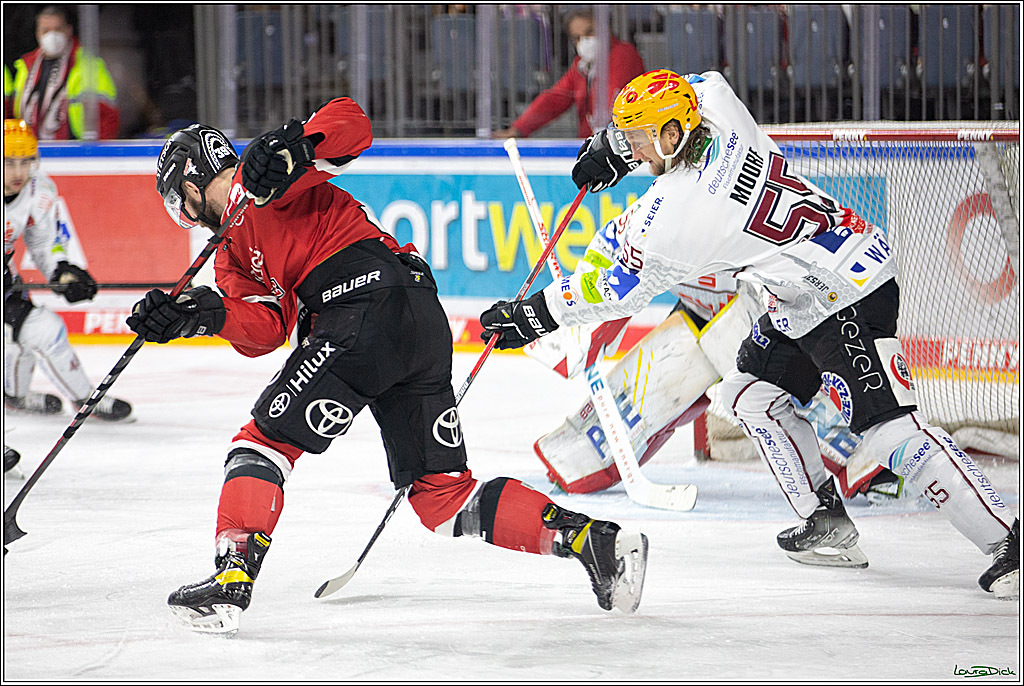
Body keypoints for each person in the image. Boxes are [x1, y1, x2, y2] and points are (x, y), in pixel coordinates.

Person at [480, 69, 1018, 599]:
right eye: (631, 136)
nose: (636, 149)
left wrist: (534, 315)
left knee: (890, 434)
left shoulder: (678, 217)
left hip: (847, 291)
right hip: (805, 291)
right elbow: (691, 84)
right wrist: (617, 148)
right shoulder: (717, 100)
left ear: (673, 134)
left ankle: (1007, 542)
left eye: (642, 139)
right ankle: (826, 523)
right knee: (751, 395)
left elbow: (615, 286)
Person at [125, 98, 649, 635]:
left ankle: (231, 580)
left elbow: (351, 124)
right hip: (416, 319)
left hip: (361, 311)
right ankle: (596, 542)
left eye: (179, 204)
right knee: (443, 497)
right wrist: (203, 315)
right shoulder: (229, 255)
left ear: (188, 188)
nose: (185, 216)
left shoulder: (265, 170)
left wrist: (301, 143)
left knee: (261, 445)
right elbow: (264, 330)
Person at [527, 277, 908, 503]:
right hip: (697, 314)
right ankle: (577, 456)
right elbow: (617, 274)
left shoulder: (727, 187)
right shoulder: (655, 212)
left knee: (795, 394)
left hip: (761, 310)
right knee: (586, 452)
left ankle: (878, 463)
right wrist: (584, 327)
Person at [3, 119, 132, 421]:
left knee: (47, 331)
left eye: (26, 162)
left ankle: (82, 399)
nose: (19, 172)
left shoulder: (39, 190)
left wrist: (62, 272)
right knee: (10, 344)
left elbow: (45, 241)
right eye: (9, 163)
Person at [491, 9, 645, 140]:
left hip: (621, 145)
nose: (584, 40)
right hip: (594, 145)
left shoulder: (623, 54)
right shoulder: (582, 65)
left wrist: (600, 141)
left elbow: (612, 100)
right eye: (577, 37)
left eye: (589, 32)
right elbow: (555, 98)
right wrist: (518, 129)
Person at [10, 5, 120, 140]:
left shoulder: (88, 65)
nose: (52, 35)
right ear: (37, 33)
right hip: (29, 152)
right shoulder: (25, 67)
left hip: (73, 153)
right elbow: (12, 115)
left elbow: (107, 117)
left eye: (57, 29)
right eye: (46, 30)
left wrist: (94, 156)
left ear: (69, 30)